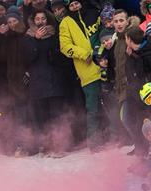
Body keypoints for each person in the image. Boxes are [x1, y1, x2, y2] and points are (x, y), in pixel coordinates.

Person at [59, 0, 105, 150]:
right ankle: (94, 142)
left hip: (106, 65)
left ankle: (114, 137)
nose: (74, 7)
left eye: (76, 3)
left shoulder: (94, 14)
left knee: (111, 104)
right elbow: (65, 47)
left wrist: (103, 48)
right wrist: (84, 54)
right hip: (87, 71)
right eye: (71, 5)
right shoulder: (66, 22)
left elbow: (104, 31)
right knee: (93, 109)